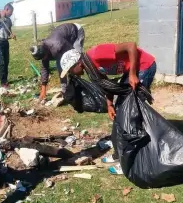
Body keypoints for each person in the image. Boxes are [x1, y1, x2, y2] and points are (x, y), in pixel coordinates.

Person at [59, 42, 156, 175]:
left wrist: (133, 74)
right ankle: (119, 154)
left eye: (70, 70)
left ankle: (130, 161)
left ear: (77, 63)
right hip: (131, 70)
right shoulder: (91, 68)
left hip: (144, 66)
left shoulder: (97, 54)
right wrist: (109, 104)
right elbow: (107, 85)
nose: (72, 74)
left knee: (130, 114)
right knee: (120, 111)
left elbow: (131, 46)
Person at [30, 23, 85, 102]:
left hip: (76, 32)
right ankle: (65, 89)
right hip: (63, 37)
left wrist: (73, 70)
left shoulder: (57, 46)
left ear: (46, 52)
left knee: (75, 62)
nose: (44, 59)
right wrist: (43, 90)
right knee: (61, 64)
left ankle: (79, 88)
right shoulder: (44, 50)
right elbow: (44, 68)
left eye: (44, 57)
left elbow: (73, 53)